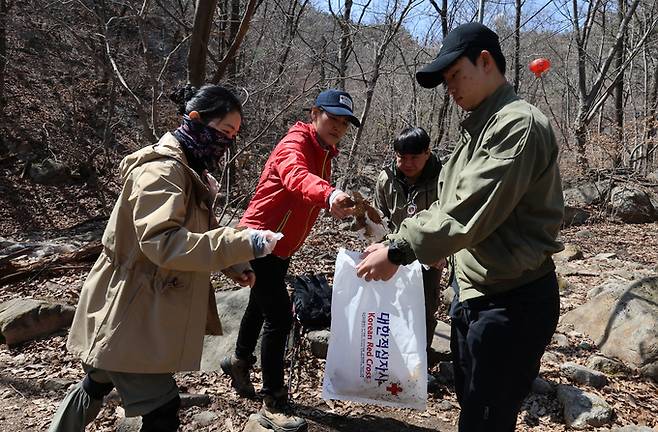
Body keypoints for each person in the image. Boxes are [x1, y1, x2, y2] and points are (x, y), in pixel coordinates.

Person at [356, 22, 564, 432]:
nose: (450, 88)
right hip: (474, 294)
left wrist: (398, 250)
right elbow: (445, 205)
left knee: (487, 417)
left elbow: (465, 213)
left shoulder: (517, 125)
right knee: (473, 408)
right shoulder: (478, 130)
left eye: (455, 75)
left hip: (511, 302)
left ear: (485, 61)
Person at [48, 84, 279, 432]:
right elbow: (164, 243)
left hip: (138, 307)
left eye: (233, 136)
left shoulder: (187, 167)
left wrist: (235, 264)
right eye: (224, 132)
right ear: (197, 121)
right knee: (162, 409)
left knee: (96, 383)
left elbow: (197, 227)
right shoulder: (162, 171)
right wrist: (245, 242)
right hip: (131, 307)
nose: (227, 143)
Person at [220, 89, 359, 432]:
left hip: (280, 247)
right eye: (333, 119)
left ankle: (238, 361)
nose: (338, 127)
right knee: (280, 318)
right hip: (259, 241)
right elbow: (297, 177)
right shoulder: (294, 144)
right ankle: (274, 400)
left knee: (259, 304)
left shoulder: (326, 153)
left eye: (344, 123)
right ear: (315, 113)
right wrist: (328, 194)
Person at [373, 126, 445, 371]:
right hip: (392, 252)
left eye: (414, 157)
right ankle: (388, 360)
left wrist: (443, 254)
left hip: (429, 254)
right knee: (388, 307)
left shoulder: (442, 177)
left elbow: (450, 219)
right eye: (401, 157)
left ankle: (418, 365)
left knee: (424, 309)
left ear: (427, 153)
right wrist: (380, 245)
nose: (407, 163)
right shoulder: (386, 178)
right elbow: (378, 217)